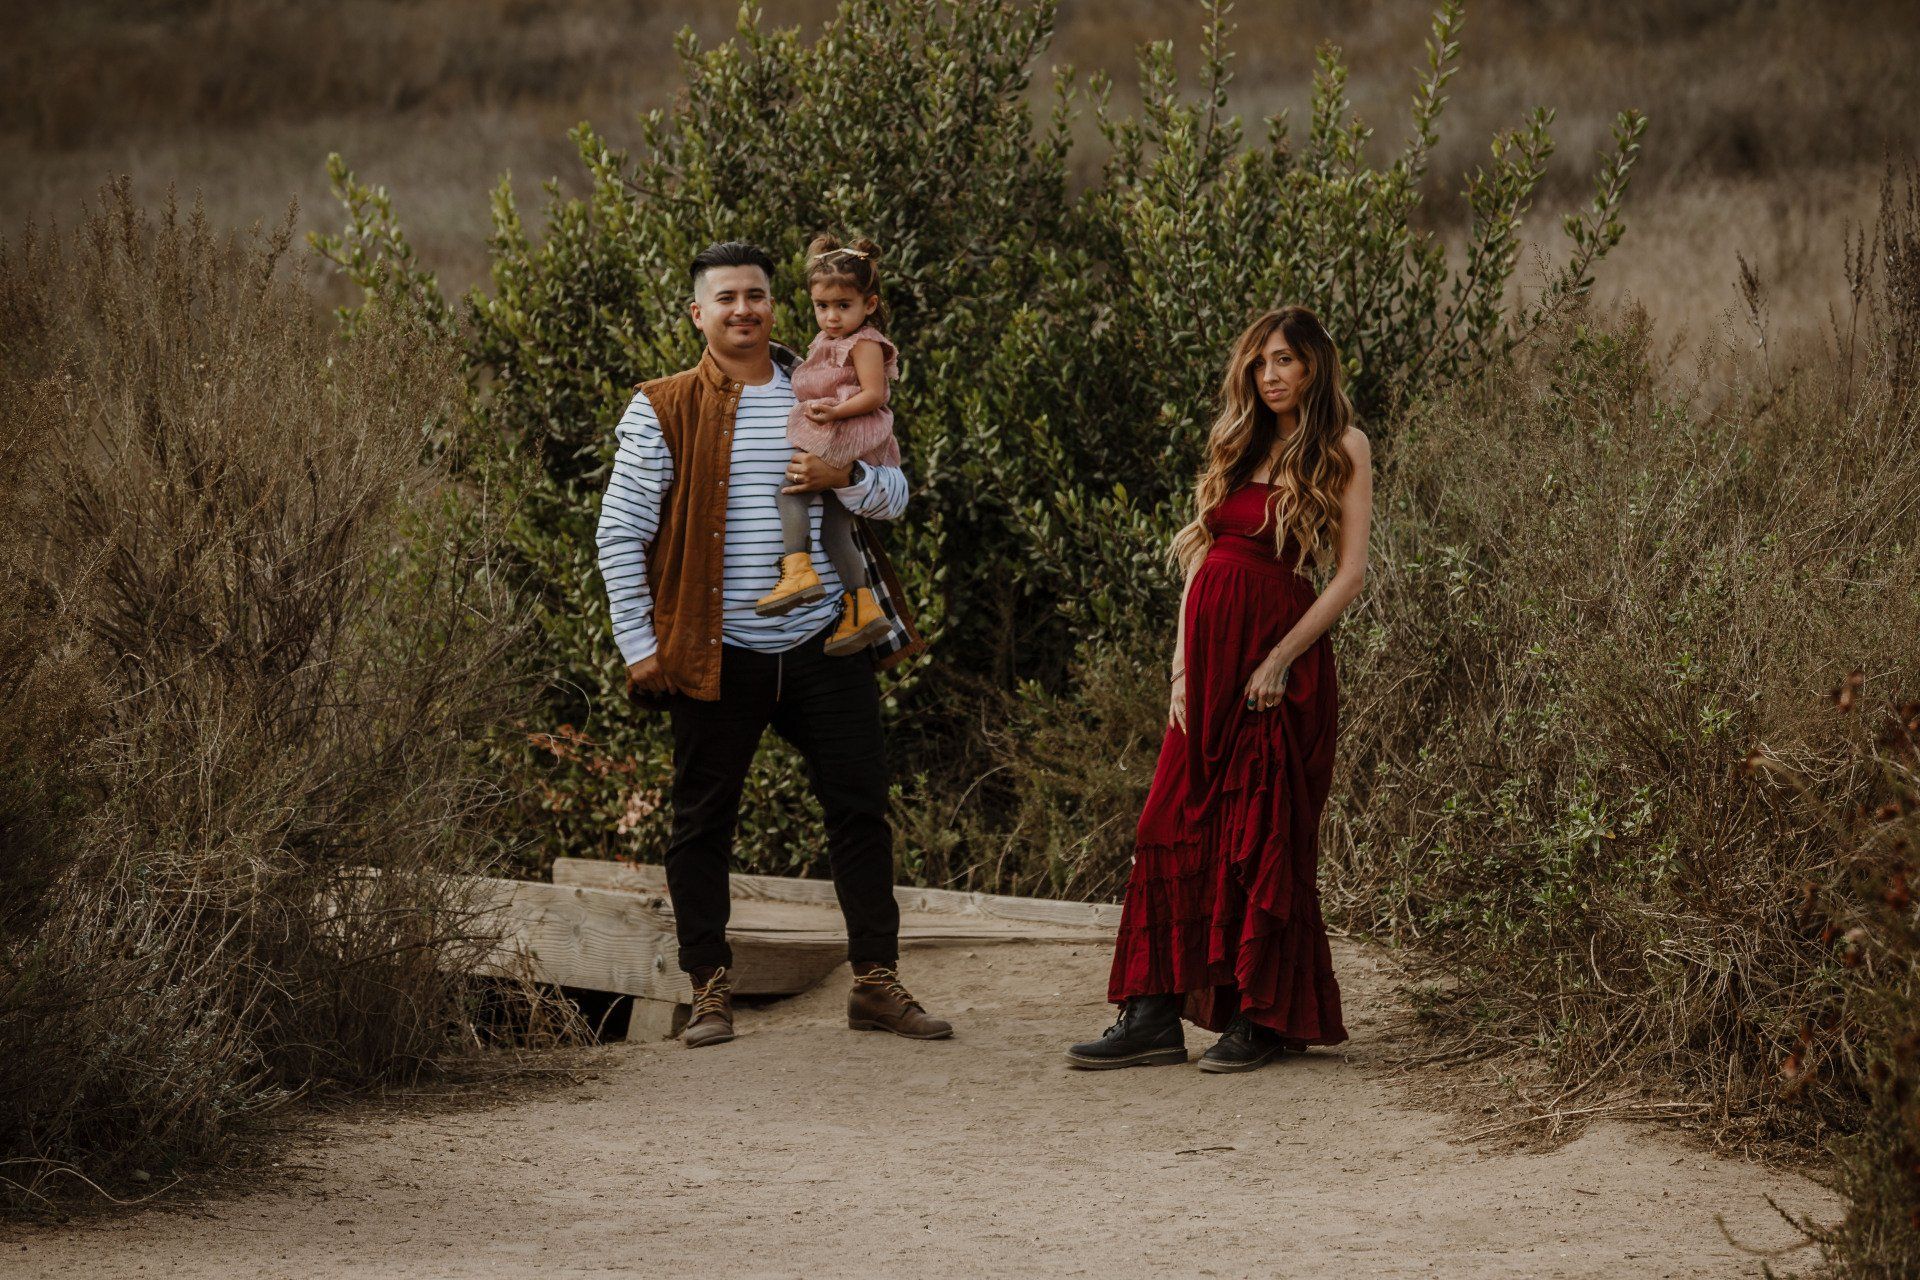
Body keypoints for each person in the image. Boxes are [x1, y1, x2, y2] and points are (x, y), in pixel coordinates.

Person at [595, 240, 949, 1049]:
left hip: (826, 639)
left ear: (773, 306)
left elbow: (895, 494)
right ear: (699, 313)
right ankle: (709, 989)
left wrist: (846, 481)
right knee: (702, 821)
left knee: (860, 808)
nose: (744, 310)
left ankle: (875, 983)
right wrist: (639, 645)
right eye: (726, 298)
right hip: (719, 648)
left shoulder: (827, 382)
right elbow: (620, 531)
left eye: (755, 295)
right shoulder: (661, 406)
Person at [1066, 305, 1371, 1074]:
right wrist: (1180, 666)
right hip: (1207, 665)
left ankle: (1260, 1017)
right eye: (1260, 362)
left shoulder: (1343, 445)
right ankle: (1152, 1015)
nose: (1270, 375)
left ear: (1314, 366)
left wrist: (1280, 660)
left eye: (1284, 360)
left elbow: (1349, 576)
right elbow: (1202, 556)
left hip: (1278, 666)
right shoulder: (1240, 441)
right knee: (1166, 822)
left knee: (1260, 835)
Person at [754, 233, 902, 658]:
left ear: (869, 305)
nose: (831, 317)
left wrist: (835, 412)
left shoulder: (865, 341)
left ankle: (798, 571)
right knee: (836, 529)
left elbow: (874, 394)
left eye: (843, 306)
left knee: (792, 490)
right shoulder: (828, 340)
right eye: (822, 306)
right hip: (842, 430)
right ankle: (862, 607)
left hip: (848, 432)